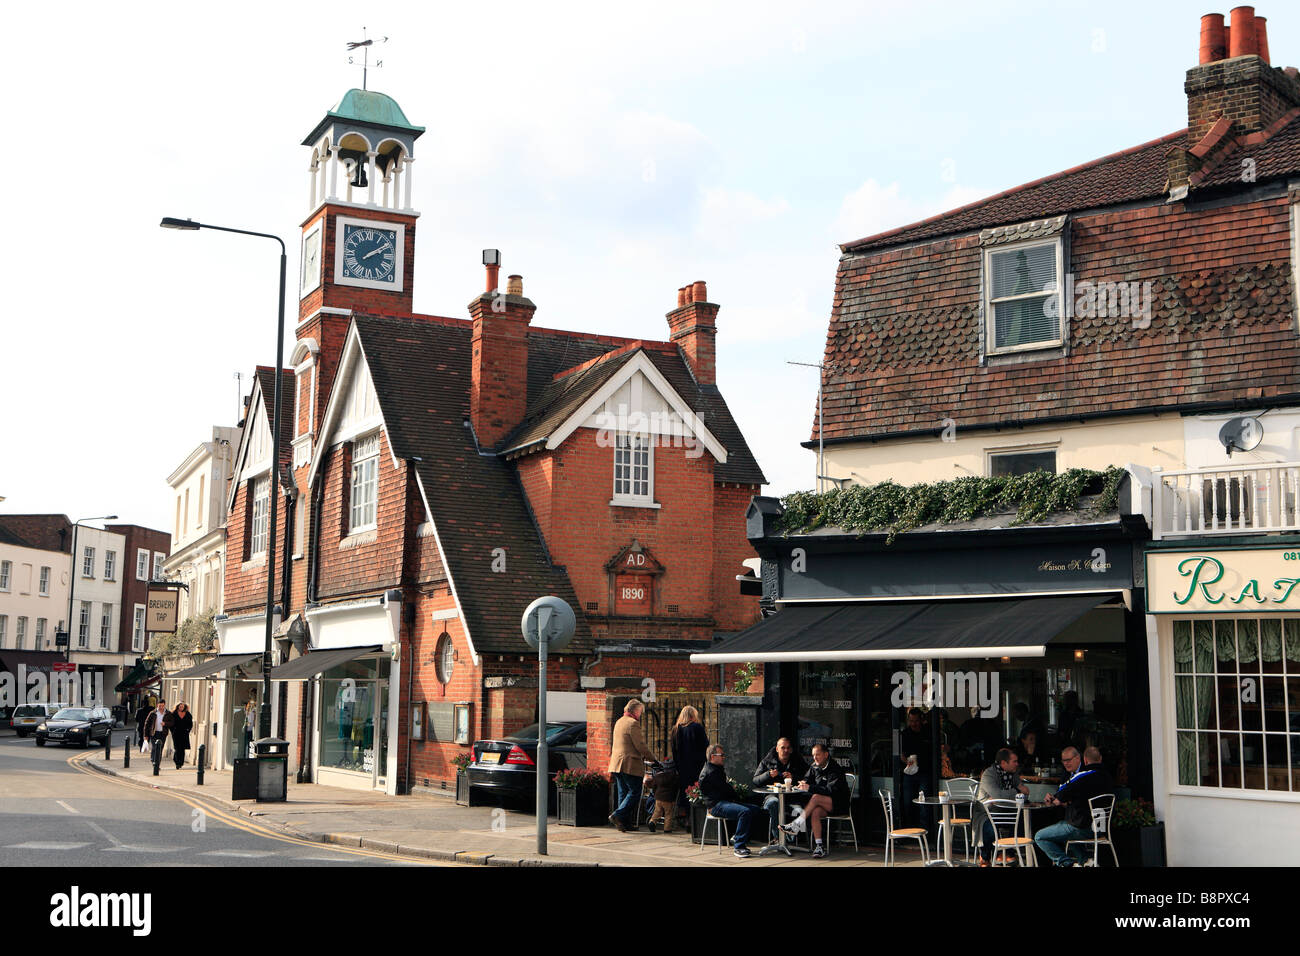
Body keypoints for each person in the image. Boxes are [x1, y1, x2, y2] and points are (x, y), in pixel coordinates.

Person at [1034, 746, 1116, 867]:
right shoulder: (1108, 776)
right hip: (1101, 828)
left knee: (1040, 836)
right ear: (1100, 759)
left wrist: (1056, 798)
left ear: (1084, 760)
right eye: (1064, 761)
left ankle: (1067, 864)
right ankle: (1087, 860)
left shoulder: (1082, 776)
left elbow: (1061, 795)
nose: (1066, 763)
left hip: (1084, 827)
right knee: (1064, 826)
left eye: (1068, 760)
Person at [780, 743, 850, 859]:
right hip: (823, 805)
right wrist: (802, 783)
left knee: (816, 798)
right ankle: (819, 846)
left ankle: (796, 825)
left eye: (817, 754)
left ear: (826, 754)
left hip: (839, 804)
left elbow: (830, 790)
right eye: (813, 755)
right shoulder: (814, 767)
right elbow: (807, 779)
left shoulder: (835, 769)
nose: (815, 758)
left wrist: (809, 788)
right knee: (815, 811)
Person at [697, 744, 764, 858]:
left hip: (724, 802)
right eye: (721, 755)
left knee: (756, 810)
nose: (724, 757)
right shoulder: (711, 772)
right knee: (745, 812)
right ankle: (739, 847)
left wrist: (733, 795)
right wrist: (735, 794)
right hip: (716, 805)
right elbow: (725, 790)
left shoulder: (716, 769)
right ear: (713, 757)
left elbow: (725, 790)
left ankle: (737, 836)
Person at [973, 747, 1030, 866]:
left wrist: (1011, 794)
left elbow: (1025, 791)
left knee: (1021, 821)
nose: (1017, 764)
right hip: (986, 812)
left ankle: (1007, 853)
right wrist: (1015, 791)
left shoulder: (1012, 774)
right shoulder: (989, 774)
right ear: (1004, 763)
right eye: (1014, 761)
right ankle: (985, 856)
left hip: (1006, 810)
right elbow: (998, 794)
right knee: (990, 829)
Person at [607, 699, 657, 832]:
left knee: (623, 793)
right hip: (629, 763)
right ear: (635, 710)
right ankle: (617, 815)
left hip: (616, 763)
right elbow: (640, 745)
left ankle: (624, 823)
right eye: (640, 711)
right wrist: (653, 759)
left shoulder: (619, 721)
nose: (641, 714)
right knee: (635, 792)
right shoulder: (633, 723)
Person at [752, 736, 808, 842]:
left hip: (791, 798)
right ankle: (778, 838)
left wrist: (794, 777)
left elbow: (808, 777)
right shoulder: (767, 762)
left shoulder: (797, 761)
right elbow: (755, 780)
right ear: (777, 749)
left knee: (800, 811)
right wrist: (768, 775)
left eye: (788, 748)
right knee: (774, 802)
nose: (786, 750)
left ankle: (789, 840)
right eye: (783, 748)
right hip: (771, 796)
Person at [670, 705, 709, 825]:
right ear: (692, 716)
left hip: (682, 767)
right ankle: (694, 820)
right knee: (696, 791)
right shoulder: (697, 728)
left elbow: (673, 750)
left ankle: (686, 818)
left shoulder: (675, 729)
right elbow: (706, 746)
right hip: (697, 766)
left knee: (685, 792)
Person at [899, 708, 931, 830]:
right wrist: (905, 761)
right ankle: (911, 829)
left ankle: (924, 830)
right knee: (908, 802)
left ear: (921, 720)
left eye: (916, 721)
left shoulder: (927, 732)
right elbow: (900, 753)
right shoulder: (905, 734)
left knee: (923, 803)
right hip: (909, 773)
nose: (914, 724)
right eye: (911, 721)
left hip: (924, 772)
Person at [643, 758, 679, 834]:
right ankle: (667, 829)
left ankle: (652, 822)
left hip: (658, 798)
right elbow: (676, 788)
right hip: (669, 799)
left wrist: (655, 794)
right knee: (668, 814)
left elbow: (654, 786)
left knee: (657, 811)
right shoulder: (675, 778)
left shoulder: (658, 776)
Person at [143, 699, 173, 771]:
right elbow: (146, 724)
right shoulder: (153, 713)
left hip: (163, 734)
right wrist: (145, 735)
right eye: (159, 706)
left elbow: (172, 723)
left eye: (162, 706)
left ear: (164, 705)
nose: (161, 707)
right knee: (154, 747)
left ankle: (157, 764)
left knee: (160, 749)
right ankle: (153, 761)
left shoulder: (168, 713)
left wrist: (165, 724)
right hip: (154, 733)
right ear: (157, 705)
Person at [170, 702, 194, 770]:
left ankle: (181, 762)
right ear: (177, 707)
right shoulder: (174, 714)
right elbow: (171, 723)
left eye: (182, 706)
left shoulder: (188, 714)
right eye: (180, 706)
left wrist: (187, 730)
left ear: (185, 707)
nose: (181, 707)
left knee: (182, 748)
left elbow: (190, 724)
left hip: (184, 733)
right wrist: (172, 730)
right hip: (176, 733)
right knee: (177, 747)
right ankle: (177, 761)